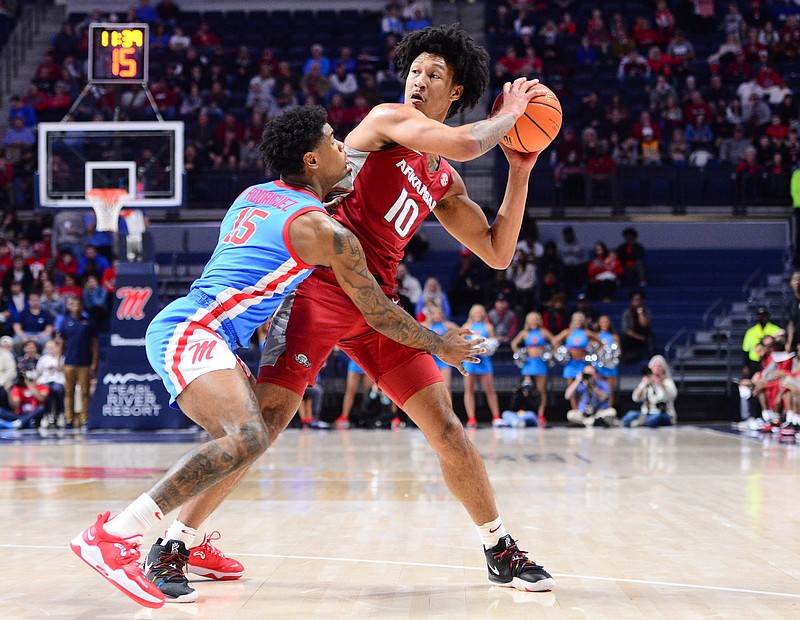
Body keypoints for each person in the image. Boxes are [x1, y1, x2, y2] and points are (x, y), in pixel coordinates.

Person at [167, 25, 554, 596]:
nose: (418, 81)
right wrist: (514, 111)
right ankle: (176, 541)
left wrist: (519, 171)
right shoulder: (385, 122)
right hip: (319, 289)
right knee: (264, 424)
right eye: (415, 70)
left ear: (457, 93)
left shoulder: (441, 178)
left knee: (447, 428)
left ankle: (499, 548)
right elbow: (473, 143)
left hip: (381, 306)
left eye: (434, 76)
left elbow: (498, 253)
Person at [71, 106, 479, 608]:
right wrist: (441, 345)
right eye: (333, 142)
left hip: (200, 327)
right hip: (194, 330)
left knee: (248, 438)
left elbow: (255, 268)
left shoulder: (255, 194)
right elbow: (378, 313)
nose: (344, 148)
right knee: (245, 436)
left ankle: (188, 543)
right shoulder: (326, 232)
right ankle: (115, 535)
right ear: (311, 159)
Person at [56, 297, 97, 430]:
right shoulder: (65, 322)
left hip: (84, 362)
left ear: (81, 306)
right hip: (69, 362)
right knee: (69, 392)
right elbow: (61, 343)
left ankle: (85, 420)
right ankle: (69, 419)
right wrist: (59, 360)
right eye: (72, 304)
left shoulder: (88, 323)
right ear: (69, 306)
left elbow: (94, 344)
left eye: (77, 304)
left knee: (85, 392)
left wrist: (94, 362)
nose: (75, 306)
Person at [462, 304, 502, 428]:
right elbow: (460, 342)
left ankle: (496, 417)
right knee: (469, 390)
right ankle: (471, 418)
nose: (478, 314)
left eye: (480, 312)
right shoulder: (466, 327)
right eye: (475, 312)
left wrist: (487, 346)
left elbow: (493, 343)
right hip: (470, 360)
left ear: (484, 314)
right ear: (471, 314)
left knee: (490, 390)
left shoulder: (488, 327)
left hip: (484, 361)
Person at [622, 355, 677, 427]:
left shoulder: (667, 382)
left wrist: (660, 384)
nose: (657, 368)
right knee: (631, 414)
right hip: (647, 413)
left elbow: (671, 395)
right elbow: (635, 398)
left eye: (659, 366)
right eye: (655, 366)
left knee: (655, 418)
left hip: (664, 413)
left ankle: (640, 423)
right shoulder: (647, 381)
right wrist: (643, 385)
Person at [423, 304, 461, 393]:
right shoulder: (425, 325)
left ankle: (449, 407)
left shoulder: (447, 325)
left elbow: (462, 332)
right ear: (431, 315)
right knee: (432, 387)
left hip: (444, 359)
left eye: (439, 314)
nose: (437, 316)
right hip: (431, 359)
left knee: (446, 386)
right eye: (435, 314)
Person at [333, 354, 374, 428]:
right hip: (355, 359)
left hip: (369, 360)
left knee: (368, 392)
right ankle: (344, 416)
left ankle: (366, 417)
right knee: (350, 390)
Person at [742, 306, 782, 379]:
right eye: (760, 315)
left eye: (764, 315)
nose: (762, 317)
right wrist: (746, 365)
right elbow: (746, 350)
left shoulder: (776, 329)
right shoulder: (750, 332)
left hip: (770, 361)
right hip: (754, 362)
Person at [620, 291, 656, 364]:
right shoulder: (627, 313)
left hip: (644, 334)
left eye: (638, 300)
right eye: (635, 300)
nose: (637, 302)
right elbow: (626, 330)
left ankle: (653, 358)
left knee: (650, 338)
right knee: (625, 339)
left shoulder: (646, 311)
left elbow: (644, 324)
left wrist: (640, 312)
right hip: (633, 336)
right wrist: (638, 337)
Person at [594, 315, 621, 410]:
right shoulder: (596, 336)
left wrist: (611, 354)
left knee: (610, 389)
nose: (604, 324)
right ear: (599, 323)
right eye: (602, 322)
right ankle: (599, 408)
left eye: (606, 322)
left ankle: (609, 409)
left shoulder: (614, 337)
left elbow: (619, 353)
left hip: (610, 366)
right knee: (598, 387)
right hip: (599, 366)